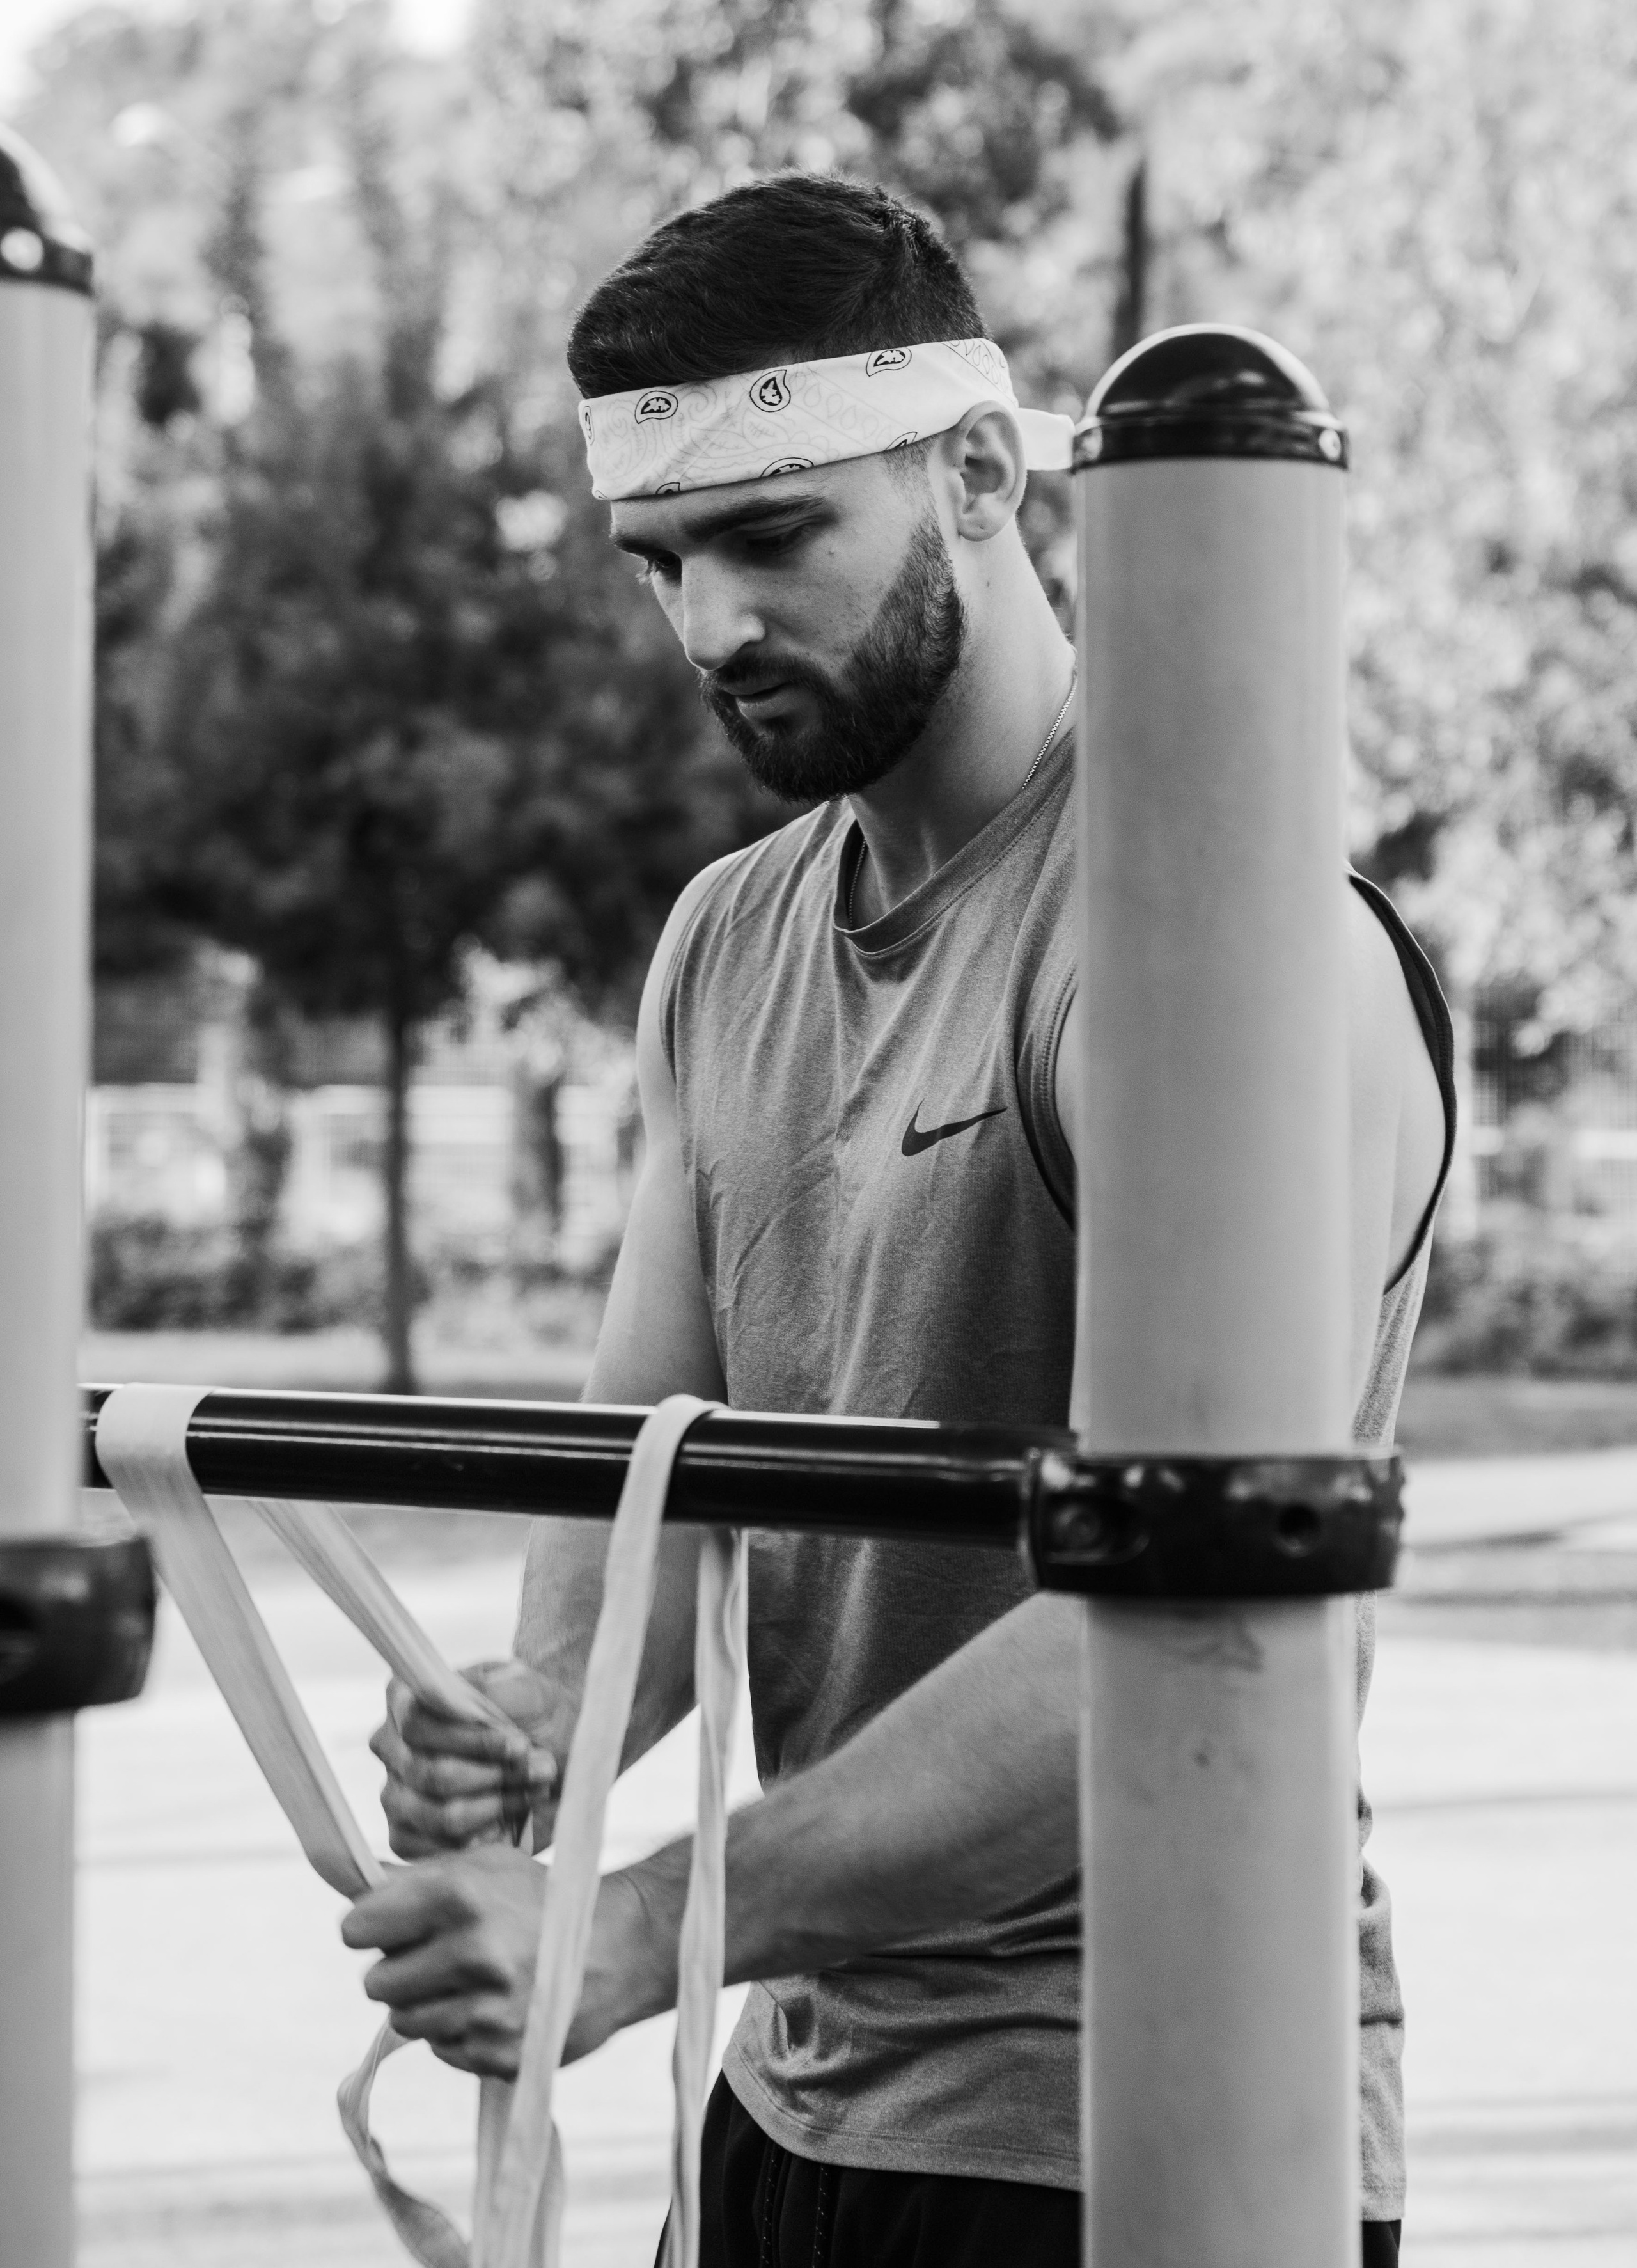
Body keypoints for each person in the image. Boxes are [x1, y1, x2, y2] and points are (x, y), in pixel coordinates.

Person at [343, 173, 1452, 2268]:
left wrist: (642, 1920)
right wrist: (528, 1722)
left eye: (776, 538)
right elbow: (652, 1485)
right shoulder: (727, 939)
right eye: (662, 559)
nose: (709, 627)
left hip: (1137, 2120)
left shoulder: (1214, 941)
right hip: (786, 2088)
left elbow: (1177, 1623)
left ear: (973, 474)